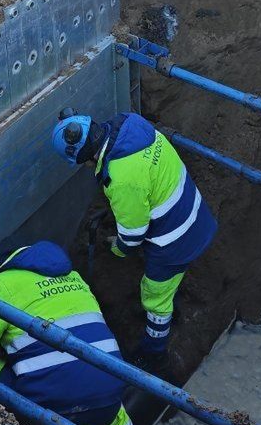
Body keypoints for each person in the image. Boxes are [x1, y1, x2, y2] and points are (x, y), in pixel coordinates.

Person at [51, 112, 216, 369]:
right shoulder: (132, 124)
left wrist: (116, 249)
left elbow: (133, 236)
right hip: (193, 211)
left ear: (84, 157)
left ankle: (153, 352)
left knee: (155, 297)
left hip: (175, 241)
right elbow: (146, 181)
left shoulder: (121, 178)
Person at [0, 241, 133, 425]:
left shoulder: (3, 283)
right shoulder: (75, 278)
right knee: (109, 413)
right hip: (109, 390)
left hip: (52, 398)